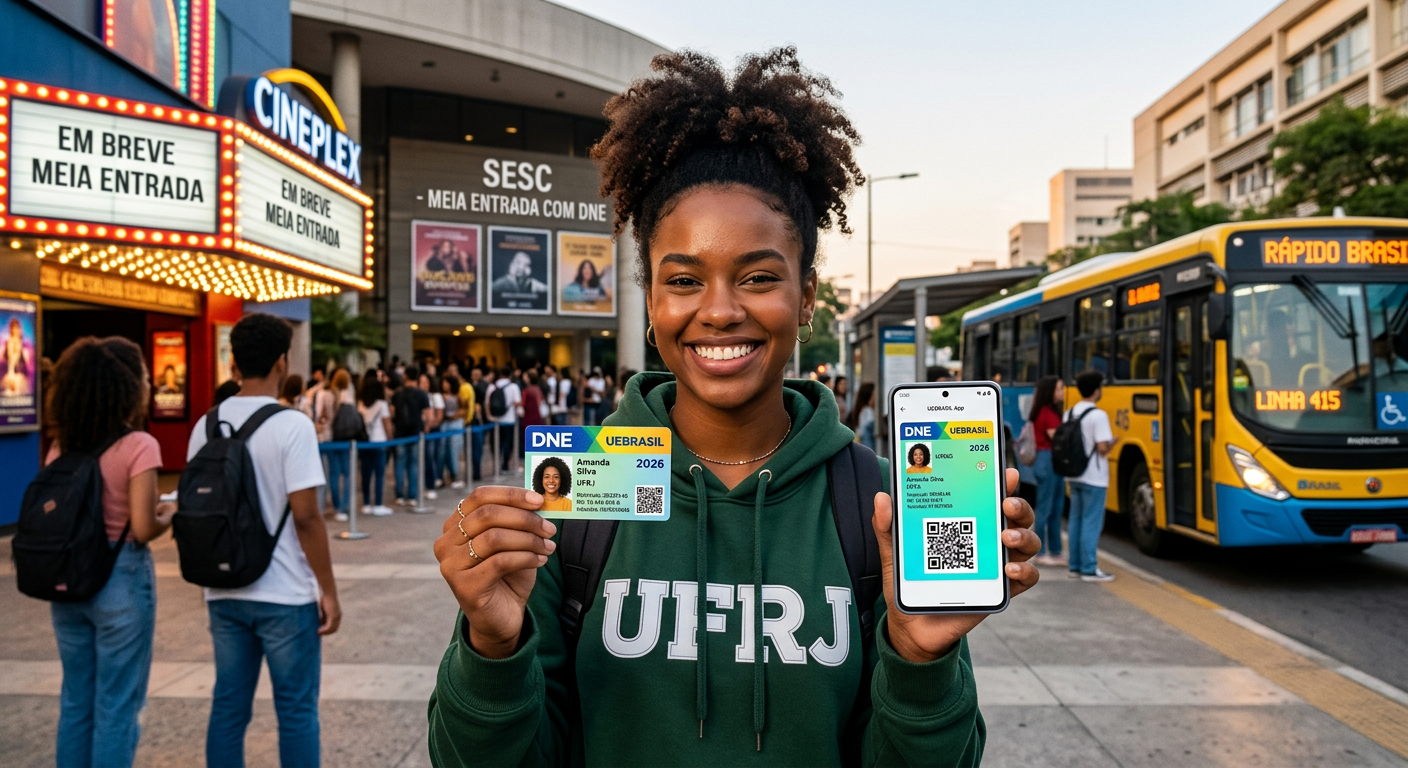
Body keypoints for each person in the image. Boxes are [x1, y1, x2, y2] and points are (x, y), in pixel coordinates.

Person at [428, 49, 1039, 766]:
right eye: (683, 279)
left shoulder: (877, 503)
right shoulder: (573, 494)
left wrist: (921, 663)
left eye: (756, 276)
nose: (718, 312)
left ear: (807, 296)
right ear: (652, 302)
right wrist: (491, 649)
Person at [186, 313, 341, 767]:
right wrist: (328, 590)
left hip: (223, 588)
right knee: (295, 712)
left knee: (228, 708)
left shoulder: (206, 425)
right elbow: (307, 518)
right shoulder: (291, 425)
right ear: (280, 361)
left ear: (234, 362)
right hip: (286, 595)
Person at [45, 336, 175, 768]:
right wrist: (167, 515)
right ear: (127, 388)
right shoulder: (139, 445)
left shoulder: (60, 448)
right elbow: (141, 528)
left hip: (68, 580)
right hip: (120, 579)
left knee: (76, 700)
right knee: (118, 705)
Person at [1066, 370, 1115, 583]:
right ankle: (1088, 568)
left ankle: (1075, 565)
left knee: (1075, 519)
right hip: (1094, 476)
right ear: (1097, 390)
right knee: (1091, 522)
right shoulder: (1098, 415)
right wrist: (1115, 442)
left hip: (1074, 474)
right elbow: (1102, 448)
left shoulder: (1069, 413)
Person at [1027, 376, 1066, 567]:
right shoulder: (1047, 413)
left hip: (1051, 460)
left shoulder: (1044, 411)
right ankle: (1040, 551)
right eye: (1059, 389)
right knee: (1045, 508)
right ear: (1050, 391)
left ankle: (1056, 550)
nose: (1062, 392)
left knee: (1055, 507)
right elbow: (1056, 437)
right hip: (1047, 460)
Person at [391, 367, 432, 505]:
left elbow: (392, 413)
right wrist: (425, 427)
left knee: (400, 464)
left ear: (406, 376)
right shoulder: (422, 394)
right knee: (414, 464)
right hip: (416, 432)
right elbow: (427, 415)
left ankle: (399, 495)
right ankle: (412, 496)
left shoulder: (397, 393)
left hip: (400, 433)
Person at [358, 371, 394, 516]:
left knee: (365, 474)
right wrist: (391, 439)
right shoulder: (382, 404)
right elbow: (387, 424)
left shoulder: (360, 404)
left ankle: (366, 503)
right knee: (379, 474)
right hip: (379, 442)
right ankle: (378, 503)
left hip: (364, 442)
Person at [325, 369, 355, 521]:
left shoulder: (330, 394)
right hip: (346, 437)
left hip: (331, 437)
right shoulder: (349, 395)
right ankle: (345, 506)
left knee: (334, 474)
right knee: (348, 473)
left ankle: (337, 506)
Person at [486, 365, 521, 472]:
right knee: (507, 443)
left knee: (496, 443)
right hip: (509, 420)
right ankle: (505, 465)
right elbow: (517, 402)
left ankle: (496, 465)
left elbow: (487, 403)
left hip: (495, 420)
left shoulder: (492, 386)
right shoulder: (514, 387)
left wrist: (489, 416)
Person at [440, 375, 465, 490]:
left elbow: (464, 408)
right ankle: (441, 476)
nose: (444, 385)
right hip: (444, 424)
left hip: (455, 423)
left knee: (454, 451)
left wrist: (456, 416)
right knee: (442, 451)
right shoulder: (441, 396)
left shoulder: (458, 396)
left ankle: (454, 475)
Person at [423, 373, 445, 499]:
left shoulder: (435, 396)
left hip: (433, 430)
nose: (423, 384)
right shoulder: (420, 394)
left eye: (425, 382)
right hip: (423, 430)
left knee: (432, 455)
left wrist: (430, 425)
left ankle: (433, 480)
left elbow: (439, 415)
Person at [519, 370, 545, 457]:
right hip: (537, 416)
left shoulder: (526, 390)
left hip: (528, 416)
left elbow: (523, 403)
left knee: (526, 437)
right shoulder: (538, 389)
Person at [846, 382, 877, 451]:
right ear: (870, 396)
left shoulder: (860, 410)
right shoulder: (868, 412)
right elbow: (867, 435)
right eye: (874, 395)